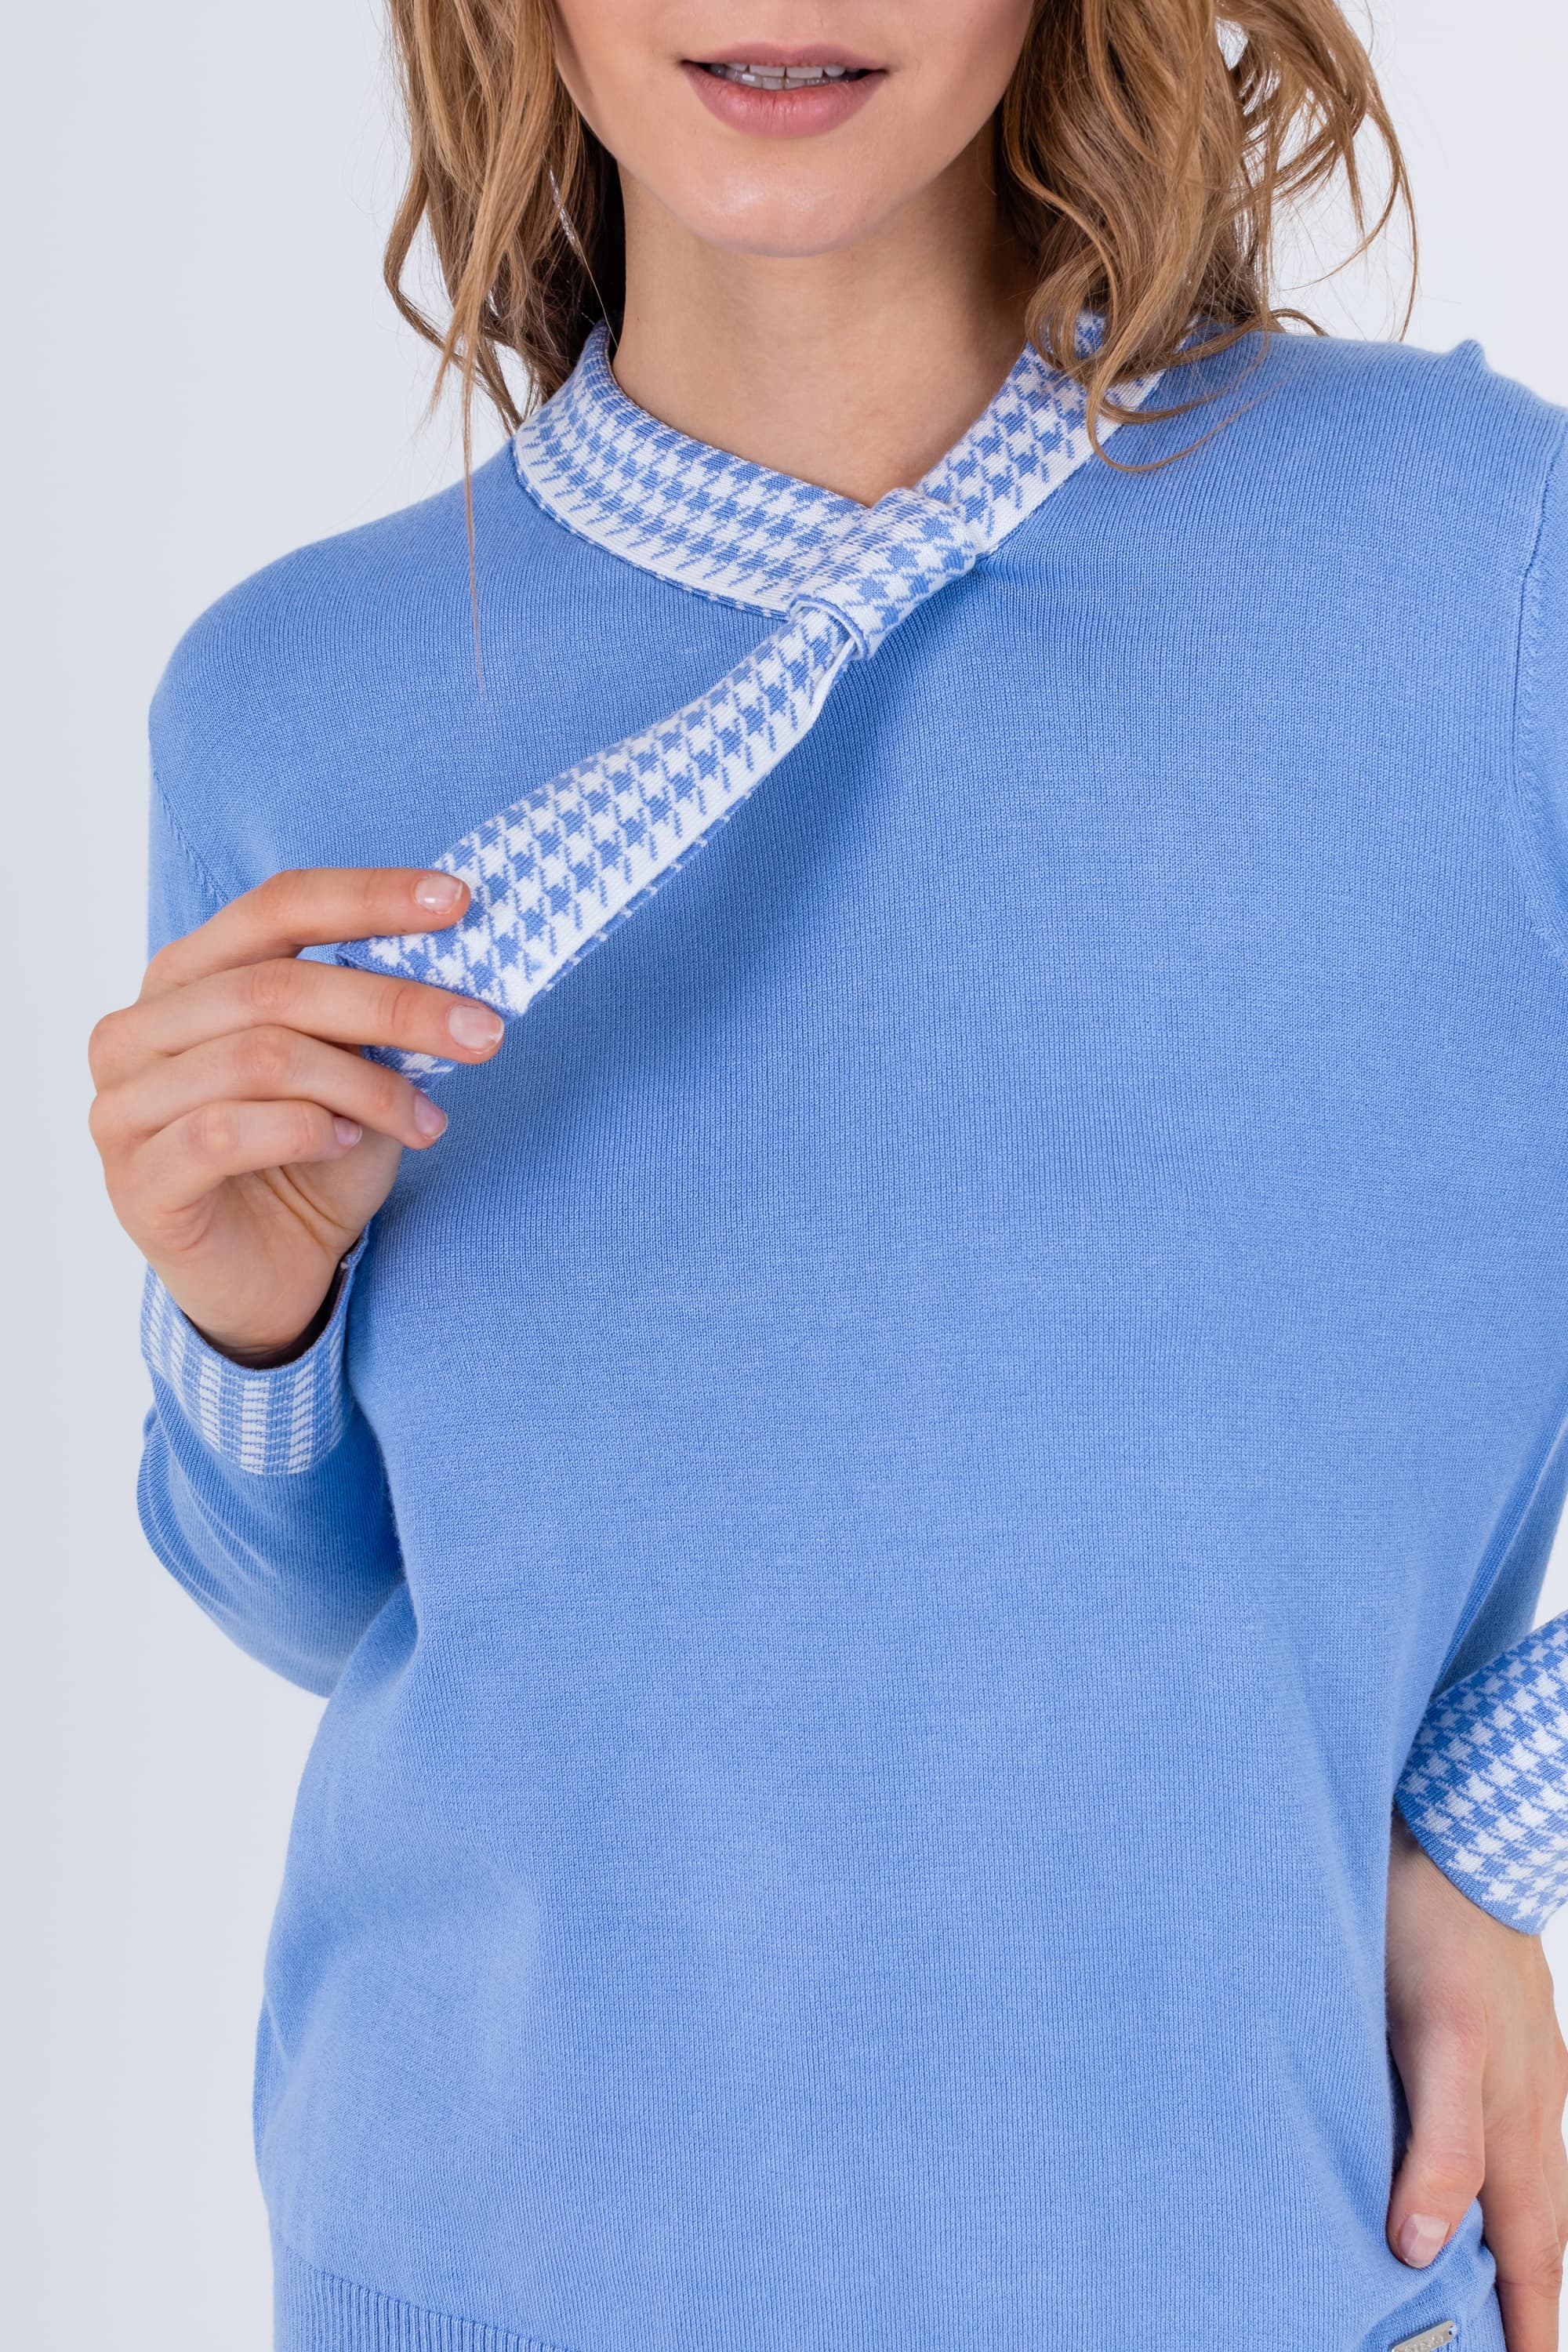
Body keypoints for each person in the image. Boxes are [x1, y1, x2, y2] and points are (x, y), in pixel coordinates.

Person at [86, 3, 1568, 2348]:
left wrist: (1483, 1822)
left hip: (1250, 2274)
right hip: (474, 2278)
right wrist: (245, 1319)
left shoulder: (1477, 570)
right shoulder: (292, 704)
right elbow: (357, 1603)